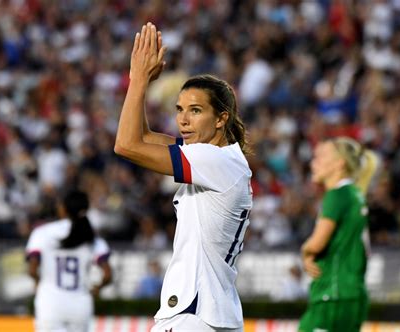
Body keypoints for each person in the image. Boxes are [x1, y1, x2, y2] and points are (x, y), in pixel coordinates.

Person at [114, 22, 253, 332]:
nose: (183, 120)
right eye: (179, 109)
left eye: (195, 110)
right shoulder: (222, 159)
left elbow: (125, 144)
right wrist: (145, 83)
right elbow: (143, 136)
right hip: (213, 312)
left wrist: (136, 79)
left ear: (221, 119)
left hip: (194, 312)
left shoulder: (212, 159)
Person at [298, 137, 379, 332]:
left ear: (339, 163)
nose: (313, 162)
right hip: (354, 295)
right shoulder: (355, 194)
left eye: (321, 156)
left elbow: (317, 243)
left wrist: (305, 252)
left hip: (332, 295)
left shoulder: (337, 195)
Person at [26, 190, 112, 332]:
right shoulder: (91, 236)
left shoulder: (43, 232)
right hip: (80, 305)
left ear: (63, 208)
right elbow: (108, 275)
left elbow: (32, 269)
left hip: (49, 304)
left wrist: (38, 283)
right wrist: (97, 288)